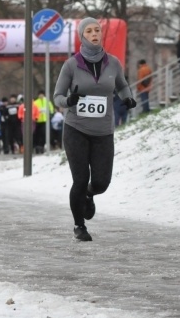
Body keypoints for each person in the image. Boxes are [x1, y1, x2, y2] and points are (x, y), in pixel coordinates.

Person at [53, 17, 137, 242]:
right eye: (88, 31)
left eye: (97, 30)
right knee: (80, 180)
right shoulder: (72, 64)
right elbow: (57, 97)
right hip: (76, 129)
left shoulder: (113, 63)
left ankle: (90, 194)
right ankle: (79, 225)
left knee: (101, 182)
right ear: (82, 36)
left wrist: (127, 98)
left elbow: (121, 85)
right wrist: (69, 100)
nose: (94, 33)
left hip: (103, 131)